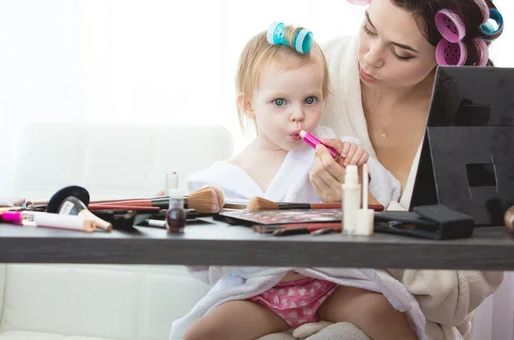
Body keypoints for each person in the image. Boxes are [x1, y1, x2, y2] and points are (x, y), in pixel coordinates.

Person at [169, 22, 422, 340]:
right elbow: (200, 262)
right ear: (249, 106)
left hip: (332, 284)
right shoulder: (224, 177)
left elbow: (383, 201)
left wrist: (358, 173)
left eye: (310, 100)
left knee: (381, 311)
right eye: (280, 102)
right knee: (201, 333)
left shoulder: (332, 151)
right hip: (261, 294)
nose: (298, 115)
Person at [307, 0, 505, 339]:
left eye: (401, 52)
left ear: (445, 55)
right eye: (368, 28)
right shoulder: (317, 74)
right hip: (298, 304)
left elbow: (457, 296)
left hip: (412, 324)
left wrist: (370, 214)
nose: (370, 57)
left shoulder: (475, 114)